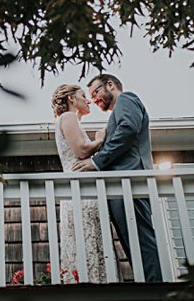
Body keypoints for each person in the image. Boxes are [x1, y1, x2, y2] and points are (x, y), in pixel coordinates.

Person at [72, 74, 164, 283]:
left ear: (110, 85)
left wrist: (96, 162)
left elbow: (127, 130)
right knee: (131, 241)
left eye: (95, 92)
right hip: (122, 187)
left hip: (131, 183)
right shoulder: (116, 114)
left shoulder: (126, 99)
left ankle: (154, 286)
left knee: (141, 239)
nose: (94, 100)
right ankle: (146, 283)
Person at [51, 84, 108, 284]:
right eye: (83, 95)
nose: (89, 99)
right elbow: (83, 150)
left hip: (81, 191)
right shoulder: (68, 117)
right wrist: (100, 140)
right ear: (71, 99)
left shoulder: (70, 120)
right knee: (86, 241)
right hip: (80, 192)